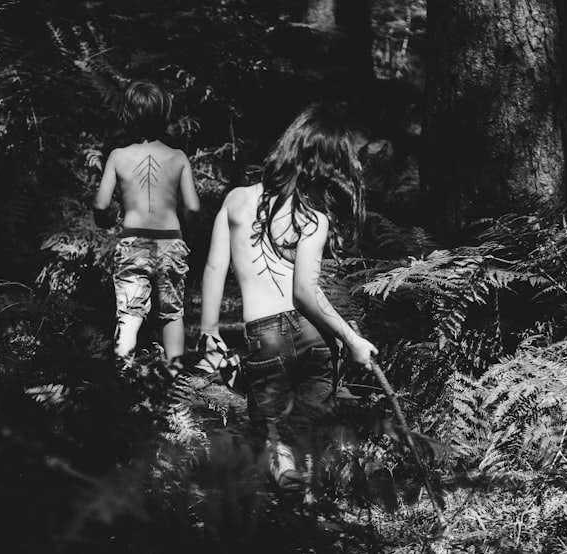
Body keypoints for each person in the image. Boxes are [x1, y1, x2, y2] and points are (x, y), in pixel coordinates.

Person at [198, 105, 378, 487]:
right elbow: (306, 292)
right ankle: (310, 493)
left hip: (265, 334)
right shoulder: (313, 217)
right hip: (314, 336)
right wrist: (352, 338)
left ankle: (285, 475)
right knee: (310, 428)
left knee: (274, 427)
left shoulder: (236, 201)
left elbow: (214, 267)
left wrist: (209, 330)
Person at [94, 79, 200, 362]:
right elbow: (193, 207)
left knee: (129, 315)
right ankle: (176, 389)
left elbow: (101, 204)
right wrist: (188, 233)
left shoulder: (118, 157)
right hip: (171, 241)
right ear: (164, 116)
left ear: (127, 115)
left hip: (134, 242)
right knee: (172, 315)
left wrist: (108, 219)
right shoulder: (178, 157)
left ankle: (120, 385)